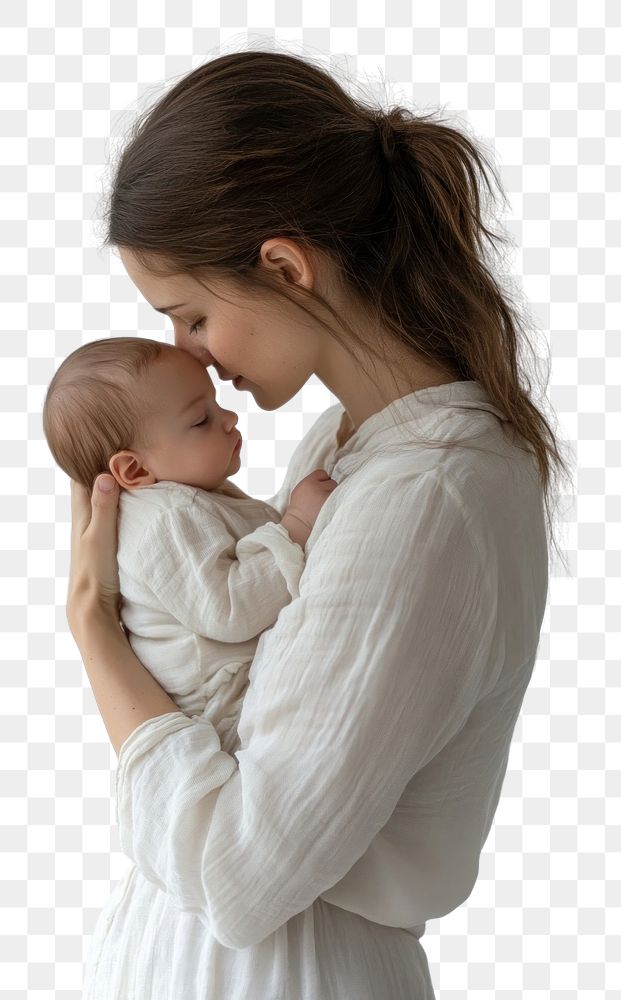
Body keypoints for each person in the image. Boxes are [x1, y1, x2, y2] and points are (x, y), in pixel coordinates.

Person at [67, 49, 570, 1000]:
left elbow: (238, 873)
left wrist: (95, 632)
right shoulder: (344, 455)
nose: (190, 359)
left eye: (190, 317)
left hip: (284, 972)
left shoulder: (428, 497)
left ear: (286, 268)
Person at [42, 337, 338, 753]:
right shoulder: (164, 517)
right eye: (201, 419)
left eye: (216, 404)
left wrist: (286, 518)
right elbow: (230, 606)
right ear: (133, 468)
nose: (230, 417)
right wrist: (297, 524)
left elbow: (242, 542)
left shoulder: (181, 496)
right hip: (230, 715)